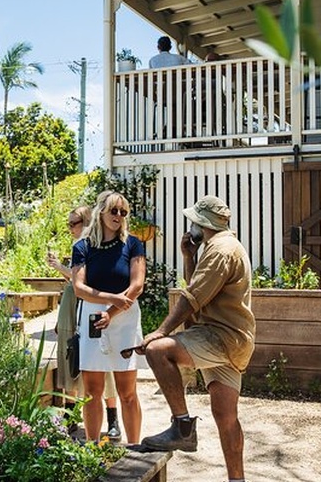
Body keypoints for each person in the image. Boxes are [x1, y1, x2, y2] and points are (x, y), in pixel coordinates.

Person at [137, 195, 255, 482]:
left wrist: (161, 331)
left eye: (193, 220)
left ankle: (182, 428)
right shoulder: (219, 247)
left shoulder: (221, 251)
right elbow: (200, 291)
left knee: (157, 350)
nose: (190, 225)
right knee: (226, 417)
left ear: (203, 223)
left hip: (220, 337)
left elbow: (191, 298)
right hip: (234, 340)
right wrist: (189, 257)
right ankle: (237, 480)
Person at [71, 191, 146, 443]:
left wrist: (112, 310)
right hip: (93, 317)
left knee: (128, 392)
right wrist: (109, 298)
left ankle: (135, 450)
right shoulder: (82, 247)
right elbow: (79, 287)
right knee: (93, 391)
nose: (119, 216)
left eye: (123, 212)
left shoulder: (133, 244)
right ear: (100, 211)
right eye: (114, 210)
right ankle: (92, 451)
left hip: (124, 316)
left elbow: (137, 286)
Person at [49, 206, 122, 440]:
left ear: (86, 221)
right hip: (72, 305)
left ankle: (112, 417)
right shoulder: (79, 245)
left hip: (89, 307)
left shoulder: (95, 245)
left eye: (73, 223)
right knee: (71, 357)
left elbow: (86, 281)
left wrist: (60, 268)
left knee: (102, 359)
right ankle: (70, 415)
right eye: (69, 224)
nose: (70, 228)